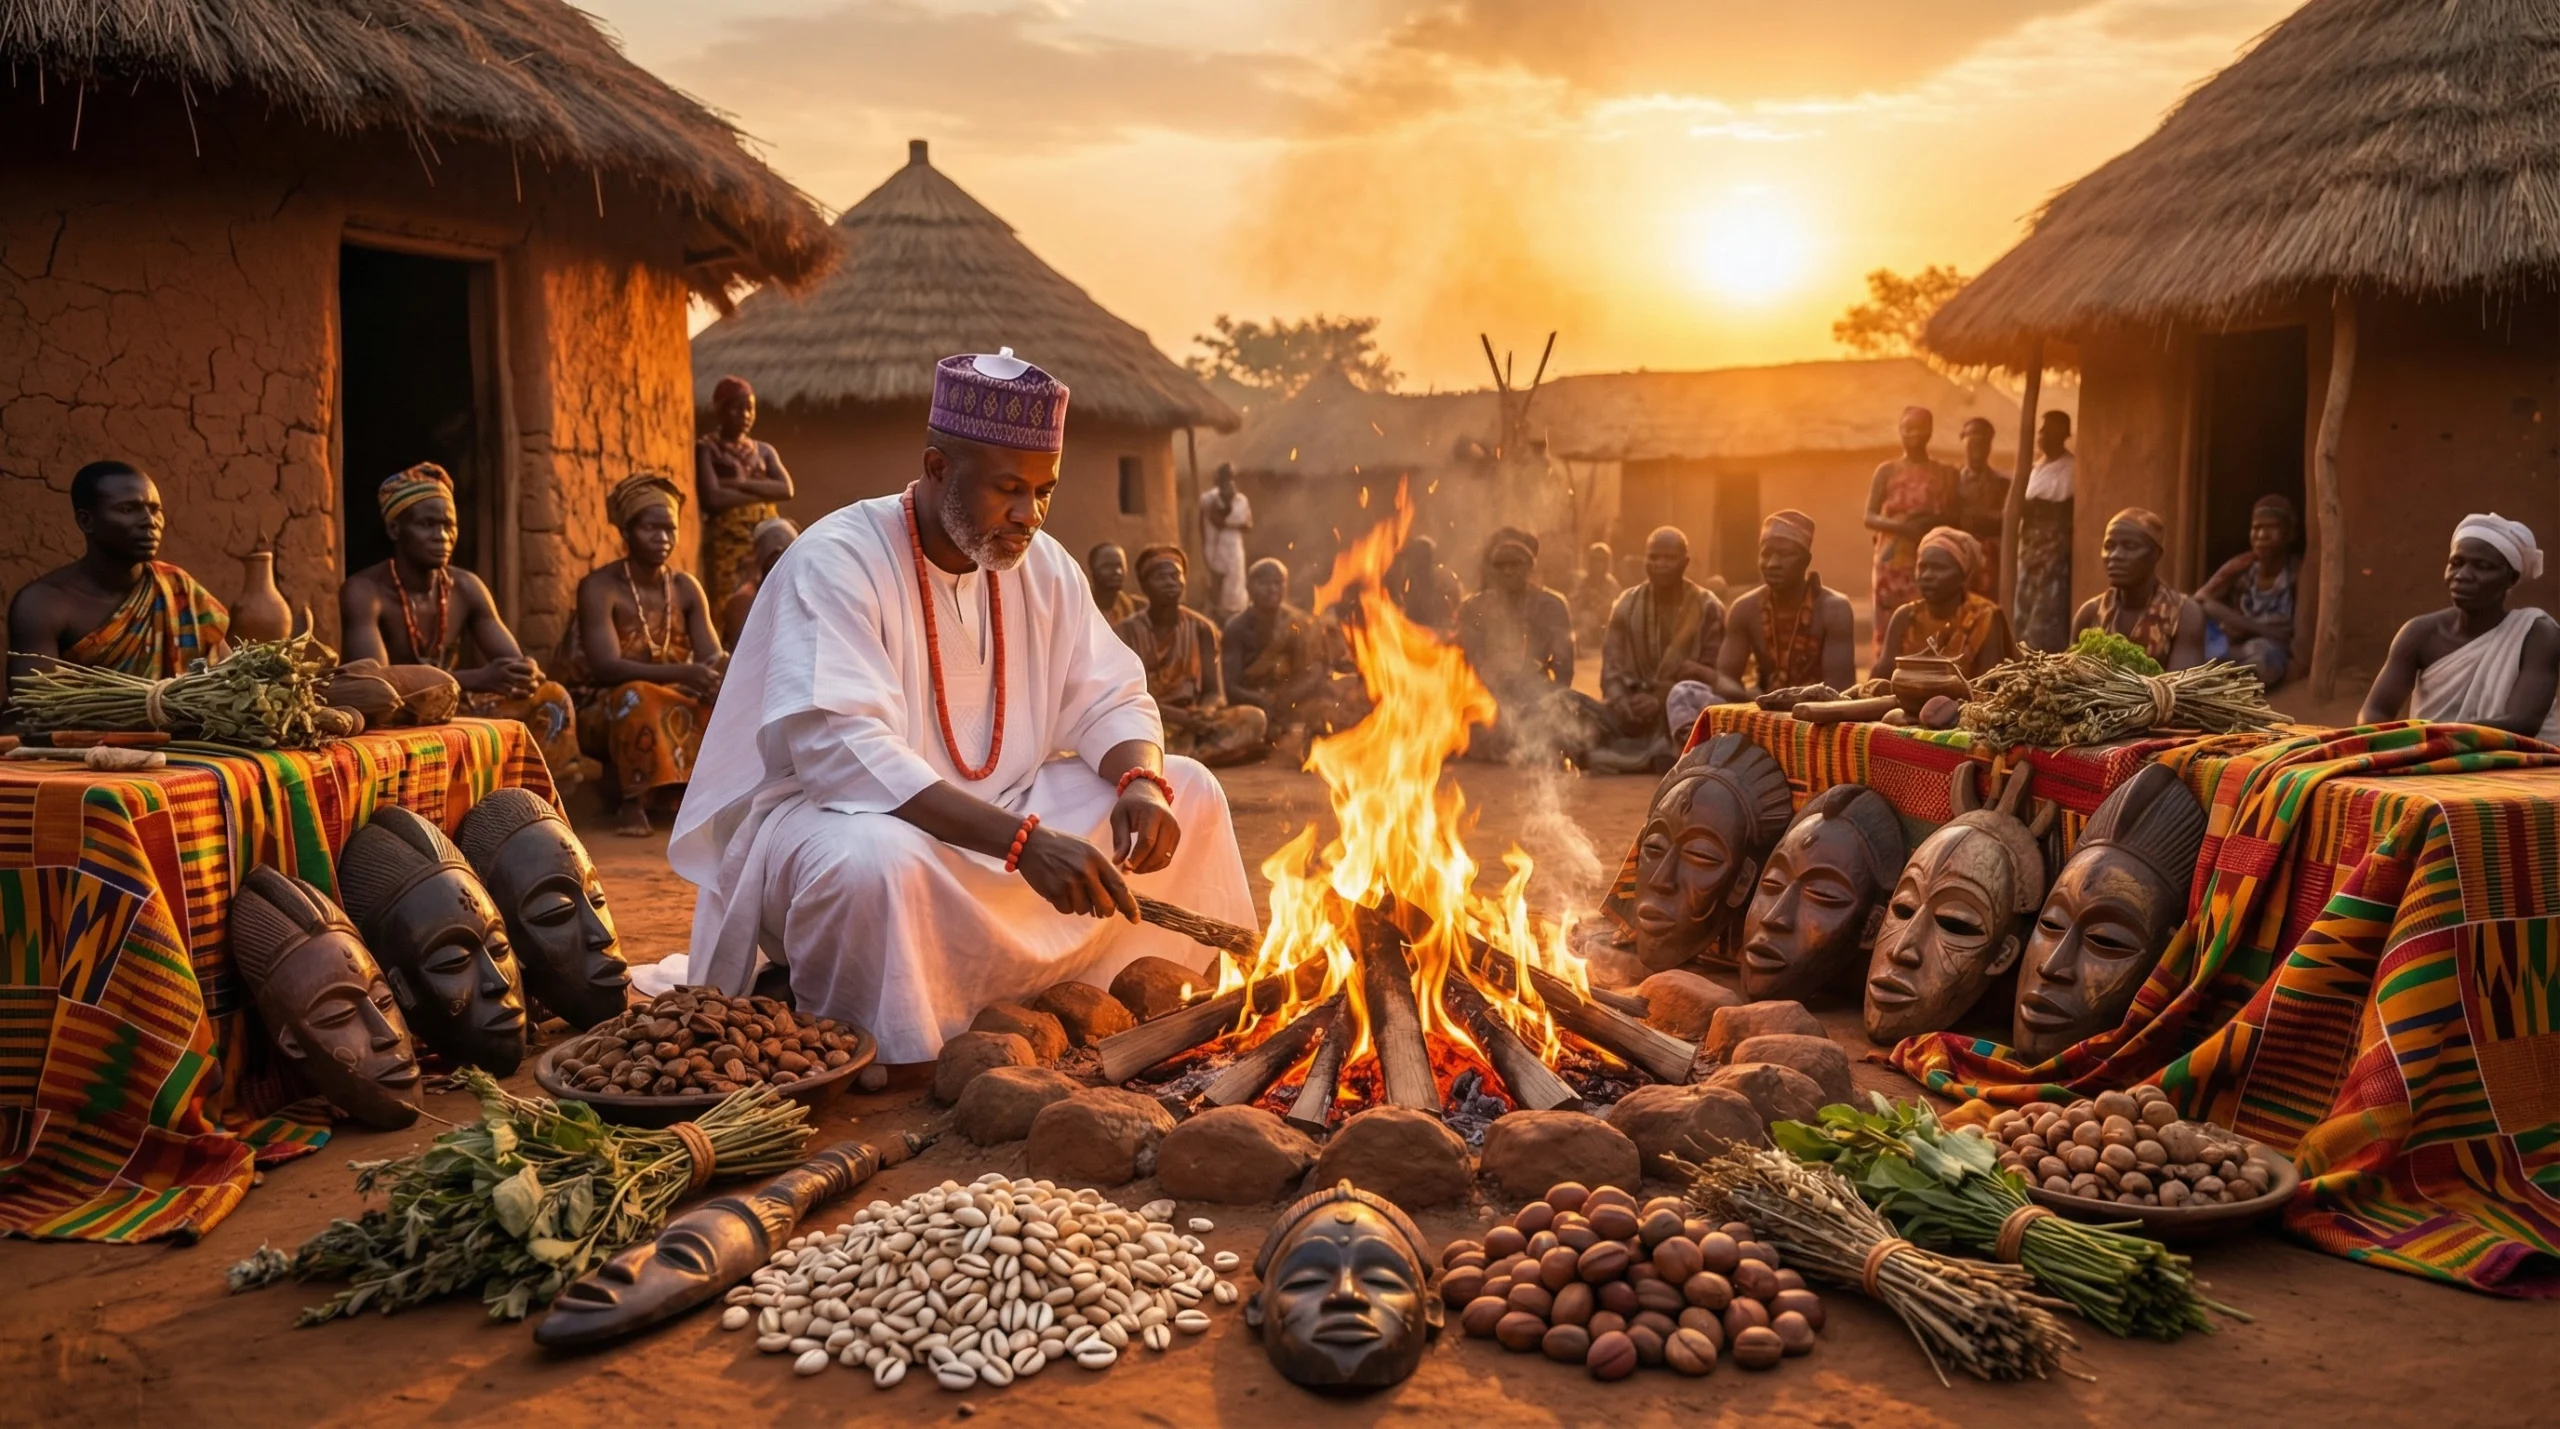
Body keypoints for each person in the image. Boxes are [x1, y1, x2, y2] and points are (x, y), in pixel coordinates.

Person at [666, 349, 1254, 1065]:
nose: (1028, 514)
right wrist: (1022, 843)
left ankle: (1142, 996)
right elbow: (841, 750)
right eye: (1008, 487)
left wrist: (1139, 781)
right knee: (870, 865)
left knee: (1188, 788)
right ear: (938, 467)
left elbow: (1111, 691)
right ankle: (891, 1041)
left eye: (1045, 490)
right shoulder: (838, 558)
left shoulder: (1042, 565)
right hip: (857, 821)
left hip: (1011, 819)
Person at [340, 462, 581, 779]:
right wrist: (479, 678)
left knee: (551, 697)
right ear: (395, 530)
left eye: (448, 525)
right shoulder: (364, 591)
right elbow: (376, 688)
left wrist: (524, 674)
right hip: (394, 718)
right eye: (427, 524)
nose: (442, 536)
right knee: (377, 711)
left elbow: (510, 663)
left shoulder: (465, 587)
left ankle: (533, 796)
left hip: (453, 706)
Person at [564, 474, 725, 836]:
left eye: (670, 529)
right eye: (651, 528)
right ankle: (632, 803)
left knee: (728, 697)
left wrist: (723, 675)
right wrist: (685, 674)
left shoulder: (685, 588)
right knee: (636, 696)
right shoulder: (600, 587)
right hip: (604, 703)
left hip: (672, 694)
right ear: (626, 531)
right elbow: (606, 668)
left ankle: (704, 799)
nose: (663, 538)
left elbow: (711, 657)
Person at [8, 460, 229, 691]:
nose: (149, 522)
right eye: (127, 509)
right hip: (84, 728)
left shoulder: (178, 589)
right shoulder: (42, 605)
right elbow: (34, 711)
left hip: (180, 726)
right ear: (86, 521)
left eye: (155, 510)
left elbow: (228, 677)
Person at [2359, 513, 2560, 739]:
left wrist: (2431, 739)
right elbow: (2376, 712)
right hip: (2432, 758)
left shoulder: (2536, 634)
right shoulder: (2419, 634)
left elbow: (2523, 723)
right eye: (2456, 563)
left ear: (2511, 579)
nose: (2463, 575)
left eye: (2482, 566)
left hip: (2523, 760)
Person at [1674, 510, 1855, 732]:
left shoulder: (1834, 609)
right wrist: (1752, 697)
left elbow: (1841, 694)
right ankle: (1697, 757)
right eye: (1766, 554)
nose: (1772, 563)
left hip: (1817, 722)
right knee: (1683, 693)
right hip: (1761, 716)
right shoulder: (1745, 608)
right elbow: (1726, 682)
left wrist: (1787, 706)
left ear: (1806, 560)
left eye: (1784, 554)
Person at [1115, 544, 1267, 766]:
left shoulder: (1202, 629)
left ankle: (1184, 758)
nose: (1170, 582)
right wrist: (1178, 718)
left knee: (1254, 719)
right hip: (1152, 718)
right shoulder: (1125, 632)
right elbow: (1126, 697)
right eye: (1160, 576)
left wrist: (1204, 711)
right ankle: (1197, 757)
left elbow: (1213, 691)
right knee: (1134, 734)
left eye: (1175, 575)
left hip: (1194, 720)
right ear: (1144, 585)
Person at [1590, 527, 1724, 768]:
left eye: (1669, 558)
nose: (1660, 564)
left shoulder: (1708, 606)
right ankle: (1641, 754)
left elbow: (1712, 674)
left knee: (1688, 714)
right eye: (1654, 557)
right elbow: (1610, 669)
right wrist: (1620, 700)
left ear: (1685, 563)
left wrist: (1661, 698)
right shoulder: (1625, 603)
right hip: (1630, 711)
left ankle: (1642, 755)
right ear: (1645, 561)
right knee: (1564, 704)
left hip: (1675, 713)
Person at [1454, 528, 1583, 762]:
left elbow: (1564, 667)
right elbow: (1468, 662)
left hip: (1536, 695)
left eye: (1515, 564)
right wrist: (1493, 691)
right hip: (1488, 697)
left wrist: (1545, 695)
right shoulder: (1474, 608)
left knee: (1564, 717)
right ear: (1492, 570)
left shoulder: (1552, 605)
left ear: (1530, 568)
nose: (1508, 571)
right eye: (1501, 566)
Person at [1864, 405, 1958, 657]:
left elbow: (1955, 515)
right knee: (1888, 617)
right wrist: (1902, 527)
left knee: (1927, 615)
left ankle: (1927, 672)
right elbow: (1869, 516)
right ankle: (1887, 673)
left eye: (1919, 428)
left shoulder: (1942, 473)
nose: (1913, 434)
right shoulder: (1887, 471)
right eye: (1908, 428)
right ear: (1900, 431)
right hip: (1891, 561)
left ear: (1930, 431)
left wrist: (1930, 521)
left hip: (1930, 559)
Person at [695, 375, 796, 600]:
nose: (745, 416)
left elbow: (785, 489)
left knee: (773, 592)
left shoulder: (764, 450)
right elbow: (713, 498)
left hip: (767, 536)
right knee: (730, 597)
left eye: (750, 409)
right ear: (720, 410)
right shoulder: (708, 448)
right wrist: (762, 488)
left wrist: (737, 483)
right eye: (737, 409)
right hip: (729, 539)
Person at [1872, 525, 2016, 680]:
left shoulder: (1984, 618)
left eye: (1939, 568)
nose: (1927, 576)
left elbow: (1987, 686)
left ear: (1963, 576)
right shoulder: (1904, 617)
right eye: (1922, 567)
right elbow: (1880, 680)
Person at [1223, 557, 1342, 744]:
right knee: (1251, 724)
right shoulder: (1236, 628)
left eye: (1277, 583)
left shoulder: (1297, 623)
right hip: (1254, 704)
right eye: (1264, 583)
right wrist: (1262, 700)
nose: (1272, 589)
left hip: (1290, 699)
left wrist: (1287, 698)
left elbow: (1314, 672)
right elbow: (1230, 685)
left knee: (1332, 709)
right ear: (1248, 586)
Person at [2072, 507, 2206, 670]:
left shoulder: (2184, 615)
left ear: (2156, 555)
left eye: (2130, 546)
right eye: (2109, 546)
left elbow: (2181, 689)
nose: (2115, 555)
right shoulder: (2090, 614)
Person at [2196, 493, 2300, 689]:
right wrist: (2250, 627)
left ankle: (2230, 684)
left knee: (2265, 657)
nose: (2261, 535)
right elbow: (2199, 599)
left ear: (2290, 533)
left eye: (2272, 528)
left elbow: (2292, 639)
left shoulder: (2295, 573)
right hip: (2237, 643)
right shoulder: (2243, 566)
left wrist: (2243, 625)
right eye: (2256, 528)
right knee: (2197, 631)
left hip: (2269, 649)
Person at [2015, 410, 2076, 651]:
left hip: (2053, 553)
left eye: (2050, 429)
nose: (2043, 434)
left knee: (2046, 612)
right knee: (2023, 610)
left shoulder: (2070, 468)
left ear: (2064, 434)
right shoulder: (2035, 468)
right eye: (2042, 428)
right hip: (2029, 550)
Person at [719, 516, 800, 649]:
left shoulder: (804, 591)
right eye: (775, 554)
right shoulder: (744, 600)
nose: (781, 559)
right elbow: (750, 648)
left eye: (788, 551)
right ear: (757, 555)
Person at [1952, 416, 2010, 599]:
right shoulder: (1950, 481)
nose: (1977, 448)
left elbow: (2010, 520)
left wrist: (1982, 516)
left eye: (1983, 442)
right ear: (1962, 440)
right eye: (1972, 440)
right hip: (1956, 556)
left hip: (1989, 561)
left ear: (1990, 445)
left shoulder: (2002, 484)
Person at [1198, 463, 1254, 621]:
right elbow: (1215, 521)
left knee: (1236, 581)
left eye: (1232, 477)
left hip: (1235, 546)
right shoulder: (1209, 499)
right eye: (1225, 477)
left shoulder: (1241, 500)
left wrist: (1233, 525)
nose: (1229, 481)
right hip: (1215, 544)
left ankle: (1235, 615)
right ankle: (1215, 618)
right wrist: (1227, 502)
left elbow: (1249, 525)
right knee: (1217, 582)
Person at [1387, 535, 1464, 637]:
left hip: (1436, 628)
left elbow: (1456, 597)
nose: (1413, 563)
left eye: (1417, 559)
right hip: (1413, 627)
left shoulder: (1442, 576)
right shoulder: (1409, 577)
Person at [1571, 541, 1621, 650]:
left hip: (1605, 625)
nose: (1598, 565)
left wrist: (1598, 598)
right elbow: (1574, 602)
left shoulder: (1611, 584)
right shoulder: (1583, 582)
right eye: (1595, 561)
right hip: (1586, 623)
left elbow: (1616, 608)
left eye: (1601, 561)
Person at [1086, 541, 1144, 625]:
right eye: (1107, 566)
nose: (1117, 572)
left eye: (1119, 565)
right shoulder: (1080, 609)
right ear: (1092, 570)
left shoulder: (1139, 608)